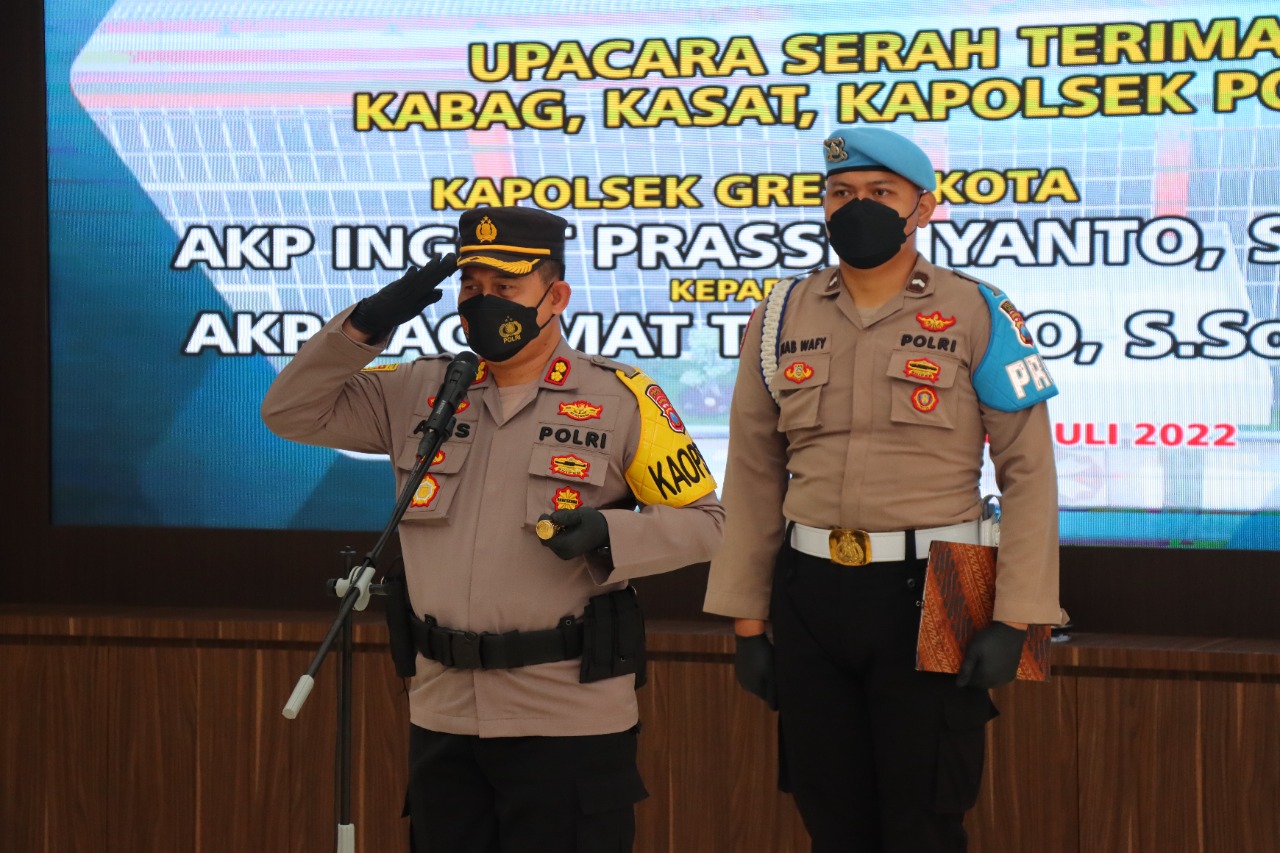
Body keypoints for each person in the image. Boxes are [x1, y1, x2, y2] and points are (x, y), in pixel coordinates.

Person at [262, 205, 724, 853]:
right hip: (443, 710)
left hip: (566, 716)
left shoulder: (622, 398)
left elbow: (709, 524)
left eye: (505, 287)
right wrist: (365, 324)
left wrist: (610, 534)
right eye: (471, 287)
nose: (483, 302)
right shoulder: (418, 389)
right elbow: (289, 411)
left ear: (555, 297)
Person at [703, 126, 1065, 852]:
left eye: (879, 192)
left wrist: (1018, 618)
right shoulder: (779, 315)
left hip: (936, 586)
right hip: (809, 591)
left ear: (921, 208)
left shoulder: (978, 310)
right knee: (829, 813)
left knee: (923, 818)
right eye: (840, 192)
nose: (856, 206)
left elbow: (1028, 473)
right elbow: (752, 471)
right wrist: (746, 624)